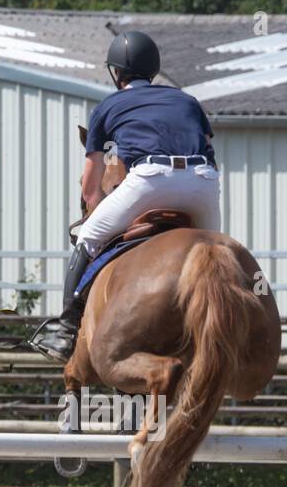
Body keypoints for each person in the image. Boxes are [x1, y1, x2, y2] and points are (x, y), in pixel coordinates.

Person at [29, 30, 222, 362]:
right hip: (202, 180)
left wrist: (95, 209)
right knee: (217, 257)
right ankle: (235, 327)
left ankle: (65, 329)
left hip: (150, 178)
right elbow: (206, 143)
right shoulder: (187, 100)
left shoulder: (109, 105)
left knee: (88, 237)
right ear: (153, 70)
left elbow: (91, 188)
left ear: (116, 73)